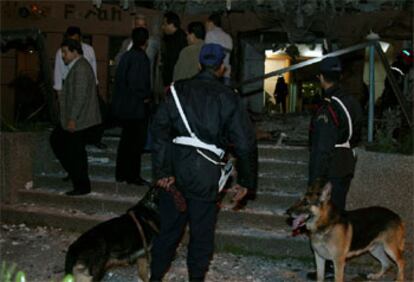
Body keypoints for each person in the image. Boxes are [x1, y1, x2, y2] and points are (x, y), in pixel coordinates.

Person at [150, 43, 257, 282]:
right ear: (221, 68)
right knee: (201, 234)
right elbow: (245, 143)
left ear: (199, 64)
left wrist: (162, 170)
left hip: (175, 169)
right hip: (206, 172)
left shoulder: (176, 91)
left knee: (167, 231)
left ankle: (155, 278)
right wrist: (247, 182)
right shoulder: (229, 97)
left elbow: (159, 131)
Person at [307, 56, 363, 280]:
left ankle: (329, 265)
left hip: (332, 166)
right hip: (346, 158)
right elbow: (356, 133)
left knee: (328, 219)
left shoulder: (328, 107)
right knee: (338, 214)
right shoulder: (352, 100)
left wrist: (314, 181)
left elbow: (322, 147)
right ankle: (334, 263)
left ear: (321, 78)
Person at [50, 39, 102, 196]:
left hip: (78, 120)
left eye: (65, 52)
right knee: (60, 142)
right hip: (75, 119)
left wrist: (72, 118)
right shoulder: (78, 66)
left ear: (75, 52)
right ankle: (76, 177)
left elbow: (79, 97)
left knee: (74, 152)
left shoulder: (80, 68)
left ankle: (81, 185)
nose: (63, 56)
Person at [53, 26, 106, 150]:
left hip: (87, 85)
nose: (73, 42)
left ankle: (93, 139)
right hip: (69, 86)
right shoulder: (61, 52)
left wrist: (95, 87)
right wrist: (60, 95)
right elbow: (58, 73)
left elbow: (93, 70)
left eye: (75, 40)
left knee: (97, 114)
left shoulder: (88, 50)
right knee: (74, 122)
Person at [111, 27, 151, 186]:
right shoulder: (141, 58)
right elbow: (137, 83)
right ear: (146, 41)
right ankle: (133, 176)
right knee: (135, 143)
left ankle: (121, 174)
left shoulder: (126, 56)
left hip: (125, 107)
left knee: (126, 142)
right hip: (136, 108)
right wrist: (145, 96)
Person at [114, 14, 160, 90]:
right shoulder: (126, 43)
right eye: (138, 25)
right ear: (134, 27)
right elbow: (118, 60)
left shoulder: (151, 43)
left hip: (142, 86)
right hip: (126, 86)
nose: (141, 28)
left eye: (143, 25)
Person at [160, 11, 187, 87]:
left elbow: (173, 61)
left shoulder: (179, 39)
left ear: (171, 25)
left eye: (164, 24)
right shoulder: (170, 38)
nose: (162, 27)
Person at [204, 13, 233, 85]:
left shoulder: (210, 34)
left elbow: (207, 55)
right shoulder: (228, 36)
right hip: (226, 73)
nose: (206, 27)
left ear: (210, 23)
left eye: (206, 24)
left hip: (214, 74)